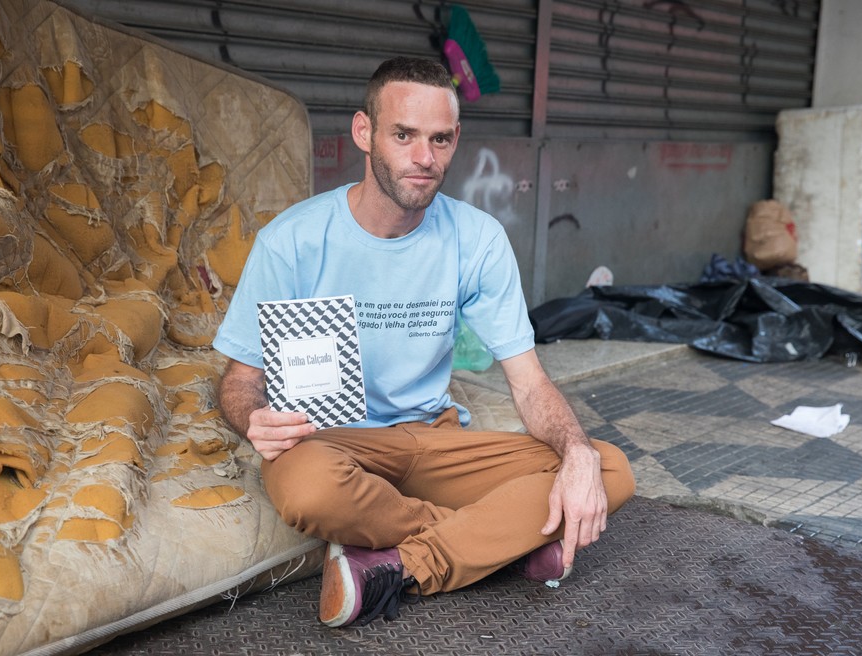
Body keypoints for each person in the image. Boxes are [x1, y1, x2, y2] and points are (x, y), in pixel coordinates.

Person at [213, 56, 635, 628]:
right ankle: (498, 544)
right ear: (365, 133)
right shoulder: (291, 241)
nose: (423, 158)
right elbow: (240, 379)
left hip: (433, 439)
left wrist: (577, 451)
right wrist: (253, 420)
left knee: (607, 470)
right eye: (404, 135)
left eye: (439, 139)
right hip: (331, 442)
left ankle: (404, 565)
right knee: (307, 491)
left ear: (456, 139)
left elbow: (529, 381)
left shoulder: (477, 238)